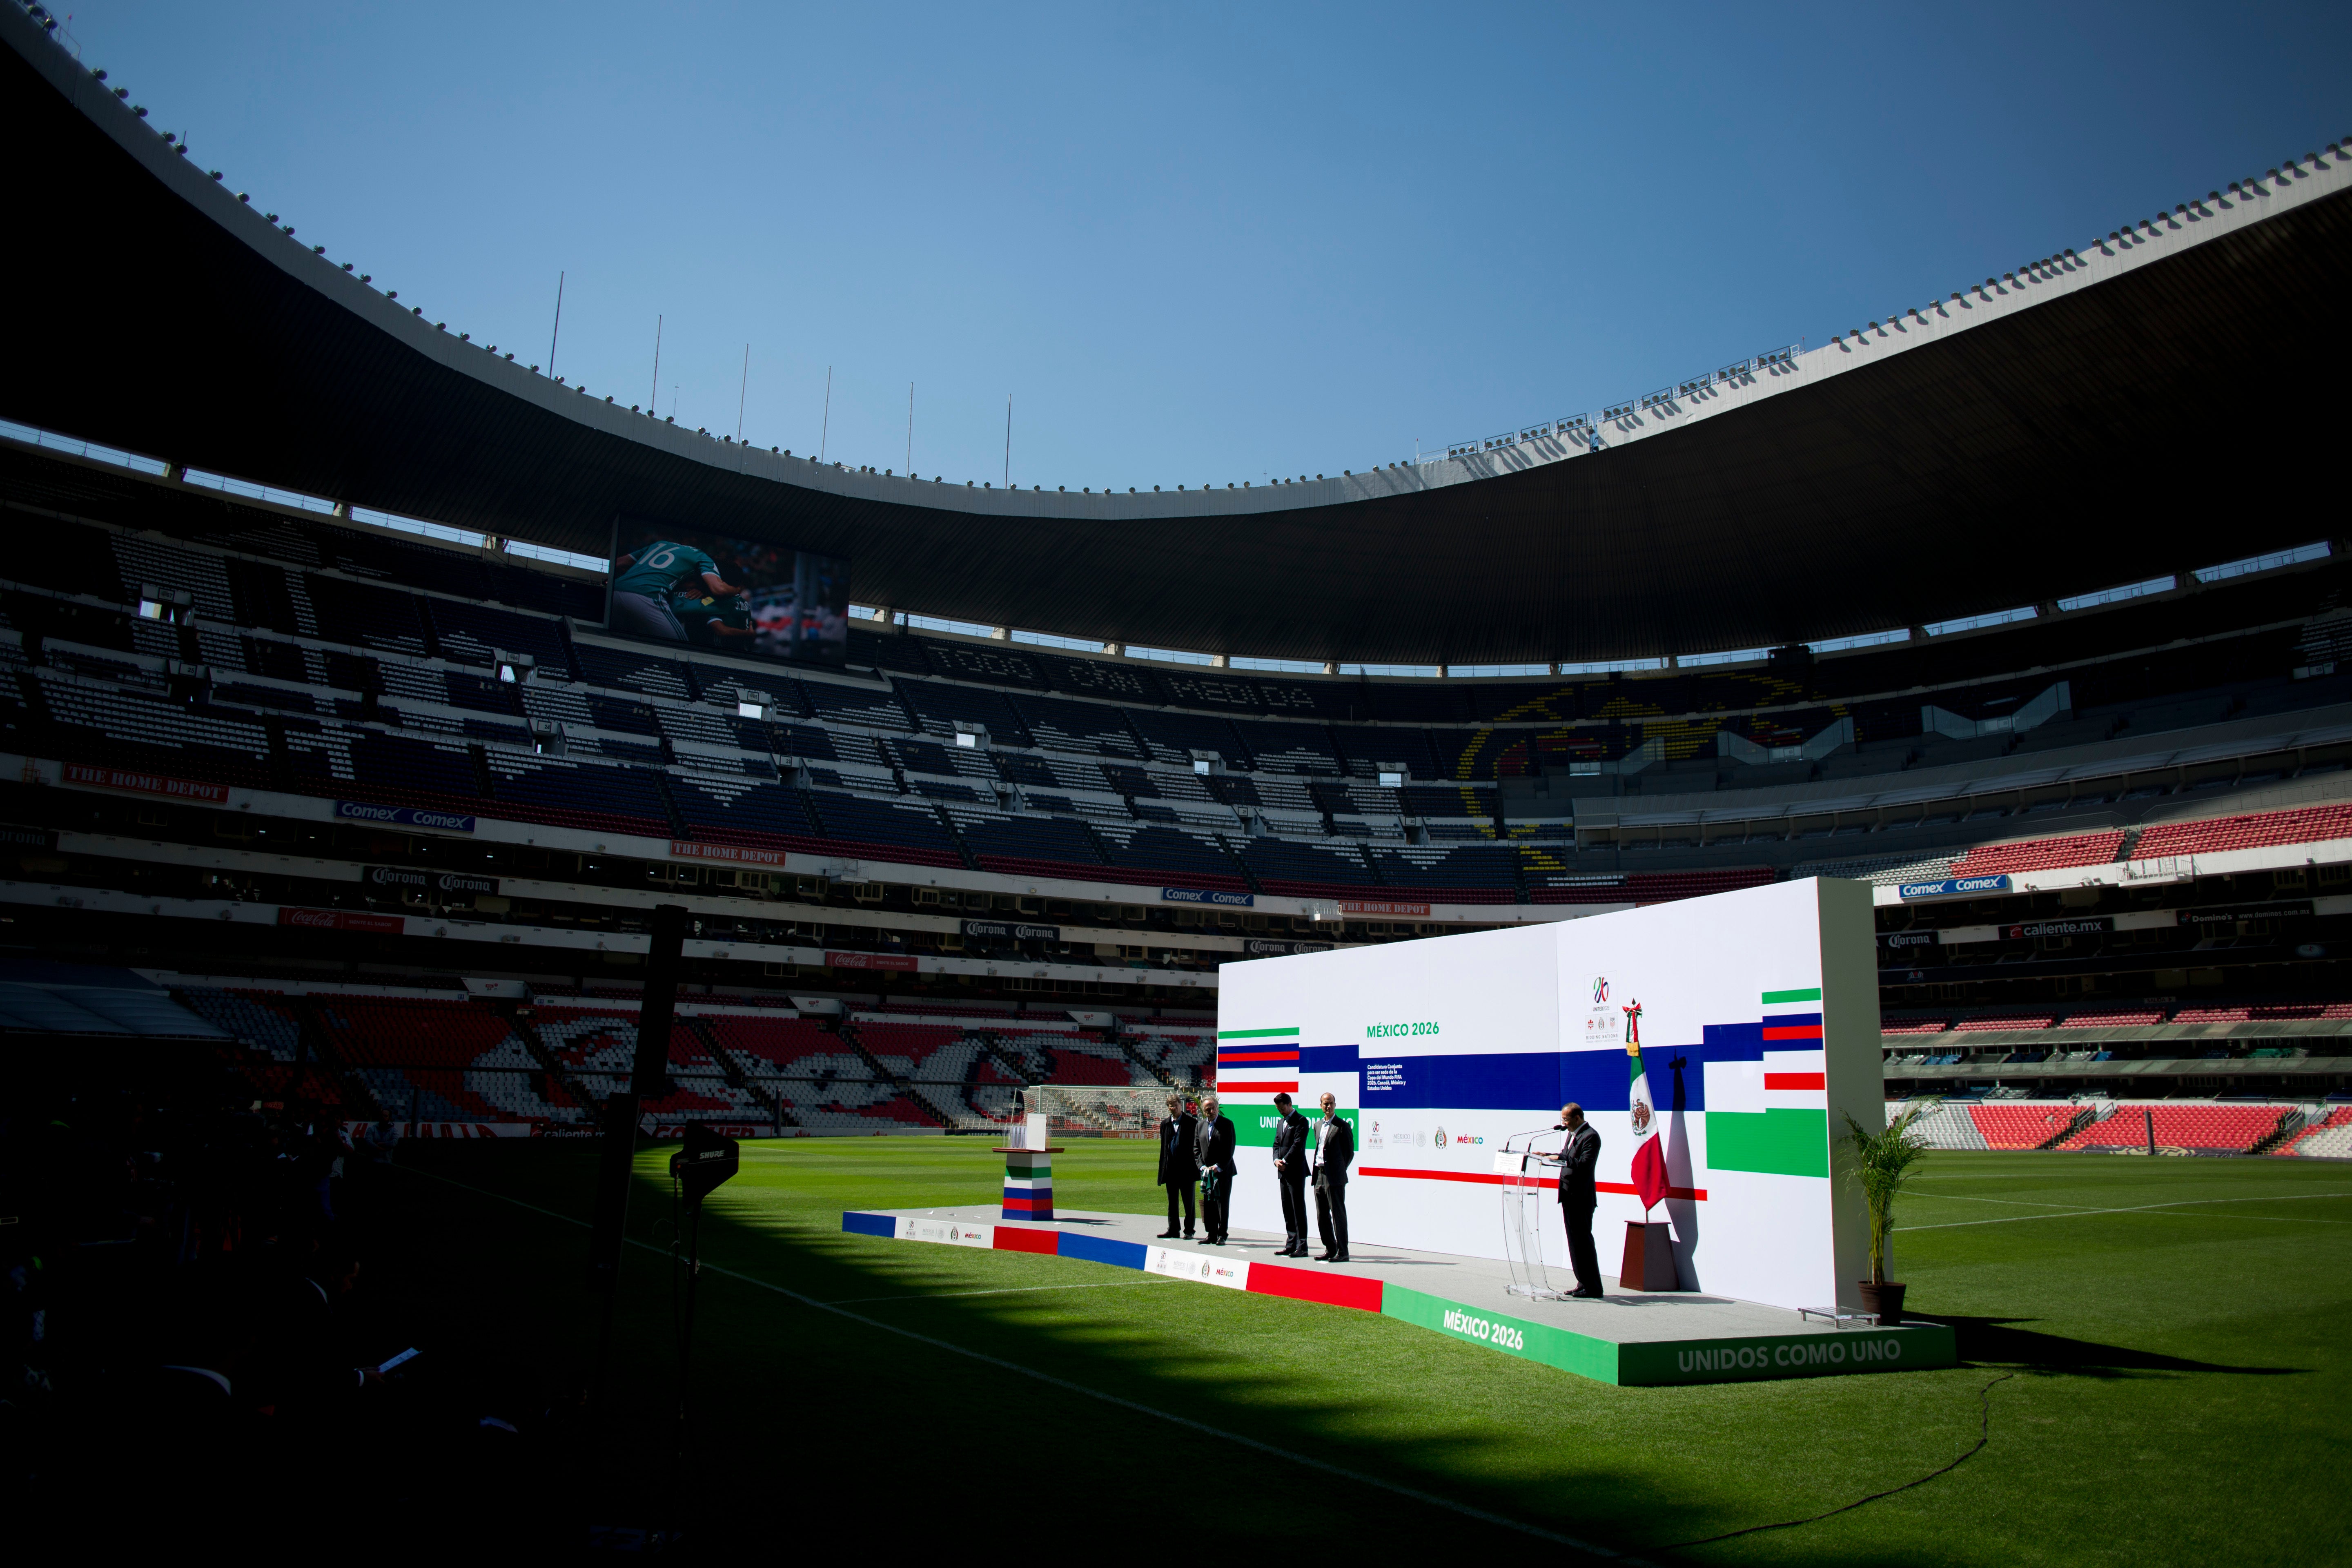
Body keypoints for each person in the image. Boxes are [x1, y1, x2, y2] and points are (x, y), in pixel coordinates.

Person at [610, 540, 746, 643]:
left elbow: (616, 563)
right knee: (681, 648)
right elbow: (718, 589)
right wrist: (737, 590)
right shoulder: (702, 558)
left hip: (613, 592)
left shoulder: (660, 544)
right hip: (648, 596)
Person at [1549, 1102, 1604, 1298]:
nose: (1563, 1123)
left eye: (1566, 1119)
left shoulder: (1591, 1136)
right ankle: (1583, 1282)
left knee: (1583, 1243)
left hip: (1581, 1198)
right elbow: (1567, 1156)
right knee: (1575, 1243)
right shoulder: (1572, 1135)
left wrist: (1561, 1159)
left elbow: (1584, 1164)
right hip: (1568, 1196)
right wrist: (1548, 1155)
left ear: (1577, 1118)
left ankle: (1594, 1287)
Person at [1310, 1091, 1354, 1263]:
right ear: (1321, 1106)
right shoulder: (1317, 1126)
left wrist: (1339, 1170)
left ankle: (1343, 1251)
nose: (1328, 1106)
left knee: (1338, 1215)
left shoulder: (1342, 1126)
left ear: (1335, 1105)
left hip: (1334, 1177)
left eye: (1331, 1103)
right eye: (1325, 1104)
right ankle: (1330, 1248)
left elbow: (1349, 1153)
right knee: (1322, 1216)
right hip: (1319, 1174)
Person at [1270, 1091, 1312, 1257]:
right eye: (1278, 1109)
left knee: (1298, 1209)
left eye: (1282, 1108)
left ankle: (1302, 1246)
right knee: (1287, 1208)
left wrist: (1285, 1161)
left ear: (1290, 1105)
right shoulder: (1281, 1122)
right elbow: (1276, 1145)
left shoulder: (1301, 1121)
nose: (1281, 1111)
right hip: (1282, 1172)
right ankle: (1291, 1243)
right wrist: (1276, 1161)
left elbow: (1298, 1145)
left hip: (1295, 1171)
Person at [1194, 1095, 1236, 1245]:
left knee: (1222, 1204)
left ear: (1218, 1108)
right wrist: (1202, 1167)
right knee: (1209, 1203)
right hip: (1207, 1173)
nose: (1211, 1111)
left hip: (1223, 1171)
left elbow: (1230, 1149)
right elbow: (1196, 1149)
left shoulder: (1227, 1124)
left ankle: (1222, 1235)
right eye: (1208, 1109)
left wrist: (1219, 1166)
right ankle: (1211, 1234)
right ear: (1204, 1111)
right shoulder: (1200, 1126)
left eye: (1213, 1108)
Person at [1155, 1095, 1199, 1238]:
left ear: (1181, 1105)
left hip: (1187, 1170)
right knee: (1172, 1202)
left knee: (1189, 1202)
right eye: (1171, 1106)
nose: (1173, 1108)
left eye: (1175, 1105)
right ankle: (1174, 1229)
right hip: (1171, 1170)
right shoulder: (1165, 1124)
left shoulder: (1192, 1123)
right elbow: (1164, 1148)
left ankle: (1189, 1231)